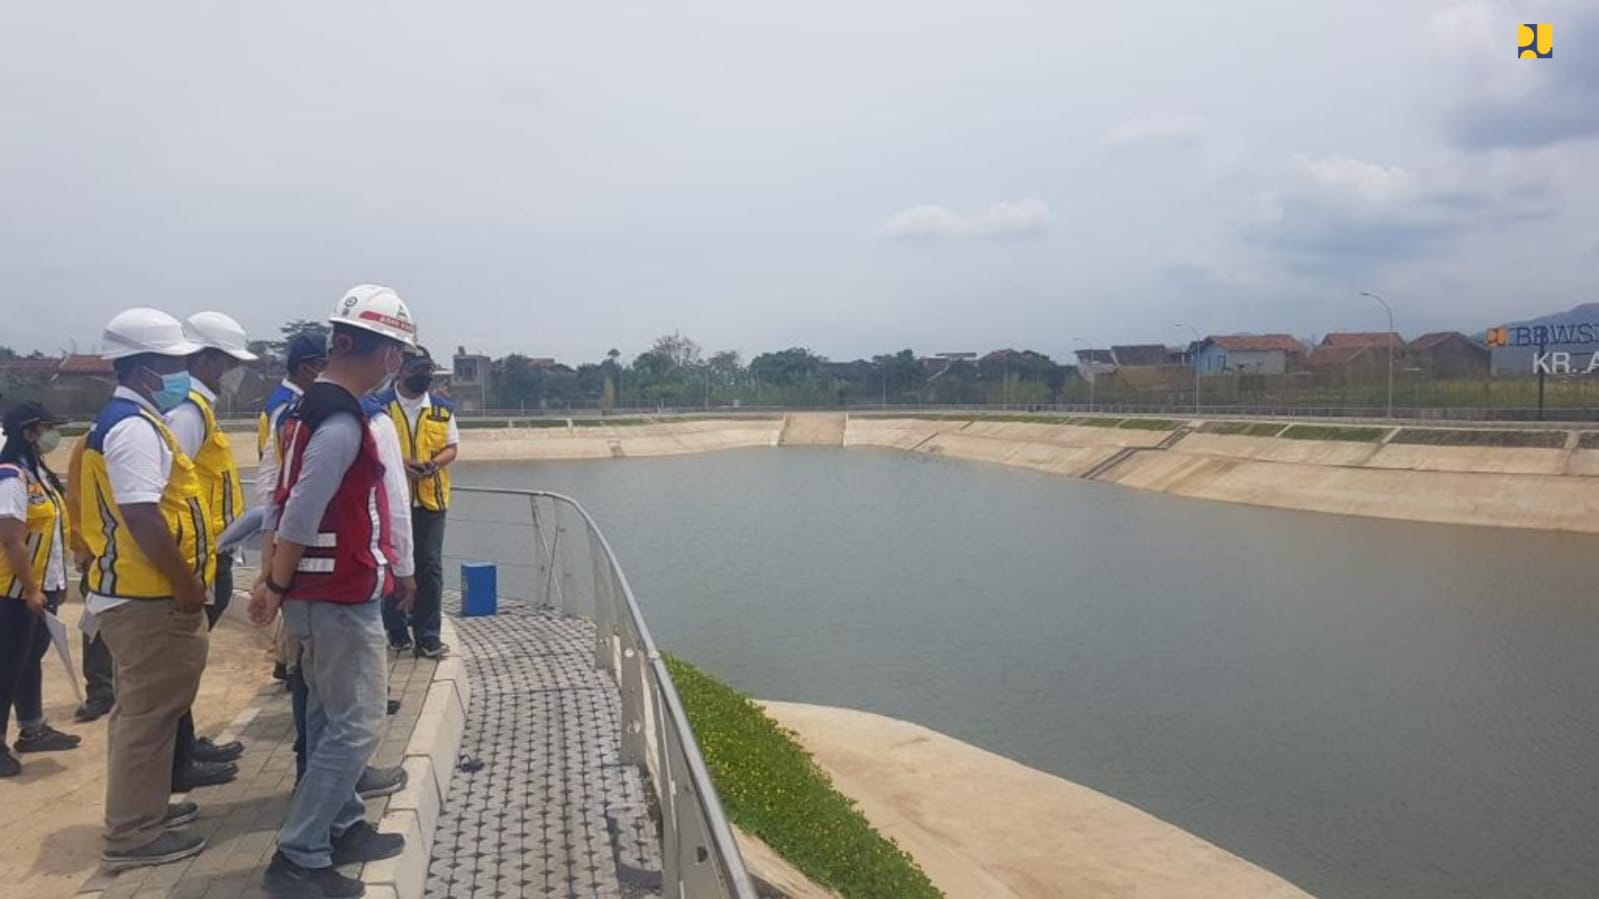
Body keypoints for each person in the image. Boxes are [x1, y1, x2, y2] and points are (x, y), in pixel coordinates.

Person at [250, 285, 415, 897]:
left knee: (325, 718)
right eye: (396, 353)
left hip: (321, 595)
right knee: (358, 722)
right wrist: (274, 584)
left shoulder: (305, 410)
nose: (396, 366)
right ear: (382, 355)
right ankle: (300, 852)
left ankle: (342, 825)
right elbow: (300, 510)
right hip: (335, 596)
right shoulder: (342, 420)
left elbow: (280, 500)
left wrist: (278, 582)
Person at [81, 308, 212, 870]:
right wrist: (185, 584)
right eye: (175, 362)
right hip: (147, 598)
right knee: (147, 717)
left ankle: (147, 809)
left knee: (145, 712)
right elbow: (143, 518)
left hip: (138, 593)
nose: (181, 372)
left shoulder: (127, 421)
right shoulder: (133, 429)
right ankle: (134, 835)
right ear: (147, 368)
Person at [164, 311, 257, 784]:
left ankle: (188, 747)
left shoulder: (198, 409)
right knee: (181, 662)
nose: (229, 374)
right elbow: (167, 488)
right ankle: (179, 763)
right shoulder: (187, 414)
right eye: (225, 364)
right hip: (195, 558)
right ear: (205, 360)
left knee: (188, 660)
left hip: (212, 551)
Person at [0, 402, 80, 776]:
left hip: (42, 586)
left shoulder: (37, 473)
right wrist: (31, 588)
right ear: (30, 430)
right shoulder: (10, 476)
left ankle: (31, 729)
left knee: (28, 660)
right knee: (6, 667)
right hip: (12, 591)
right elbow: (12, 540)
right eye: (47, 428)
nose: (52, 436)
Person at [374, 345, 458, 658]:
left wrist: (435, 463)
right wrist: (403, 463)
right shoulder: (379, 407)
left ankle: (428, 635)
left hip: (432, 500)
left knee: (430, 567)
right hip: (393, 500)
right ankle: (396, 630)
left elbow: (452, 447)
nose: (423, 376)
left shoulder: (441, 408)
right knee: (393, 566)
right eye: (416, 370)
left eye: (427, 370)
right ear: (400, 371)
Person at [258, 331, 328, 684]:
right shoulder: (291, 408)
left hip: (283, 514)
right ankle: (293, 670)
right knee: (294, 598)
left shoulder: (282, 401)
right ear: (306, 368)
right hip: (289, 516)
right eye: (323, 365)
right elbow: (275, 473)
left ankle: (290, 665)